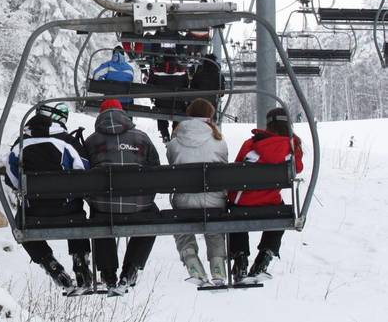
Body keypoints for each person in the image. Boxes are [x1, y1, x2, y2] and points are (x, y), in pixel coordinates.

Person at [5, 104, 93, 288]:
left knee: (19, 224)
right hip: (68, 211)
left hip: (33, 213)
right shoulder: (67, 141)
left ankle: (48, 262)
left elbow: (11, 178)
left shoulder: (20, 143)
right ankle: (80, 261)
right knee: (78, 212)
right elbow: (84, 171)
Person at [83, 99, 160, 295]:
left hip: (103, 207)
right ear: (123, 113)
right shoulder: (142, 138)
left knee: (99, 216)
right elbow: (157, 172)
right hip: (138, 207)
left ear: (100, 116)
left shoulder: (91, 141)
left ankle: (108, 274)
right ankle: (130, 269)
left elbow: (82, 175)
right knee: (152, 216)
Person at [227, 107, 304, 283]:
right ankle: (265, 255)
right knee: (283, 211)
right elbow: (297, 169)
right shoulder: (292, 146)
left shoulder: (251, 144)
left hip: (242, 201)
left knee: (234, 214)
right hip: (270, 203)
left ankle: (240, 257)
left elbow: (237, 166)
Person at [167, 99, 229, 286]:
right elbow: (224, 166)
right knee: (214, 226)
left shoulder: (175, 142)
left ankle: (192, 262)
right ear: (210, 116)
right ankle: (218, 267)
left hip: (184, 201)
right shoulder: (219, 141)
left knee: (182, 228)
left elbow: (172, 163)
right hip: (214, 201)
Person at [146, 59, 190, 143]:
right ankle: (175, 133)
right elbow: (186, 85)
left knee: (160, 108)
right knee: (180, 108)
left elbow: (149, 86)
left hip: (161, 102)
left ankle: (165, 134)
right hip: (178, 103)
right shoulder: (183, 71)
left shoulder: (156, 70)